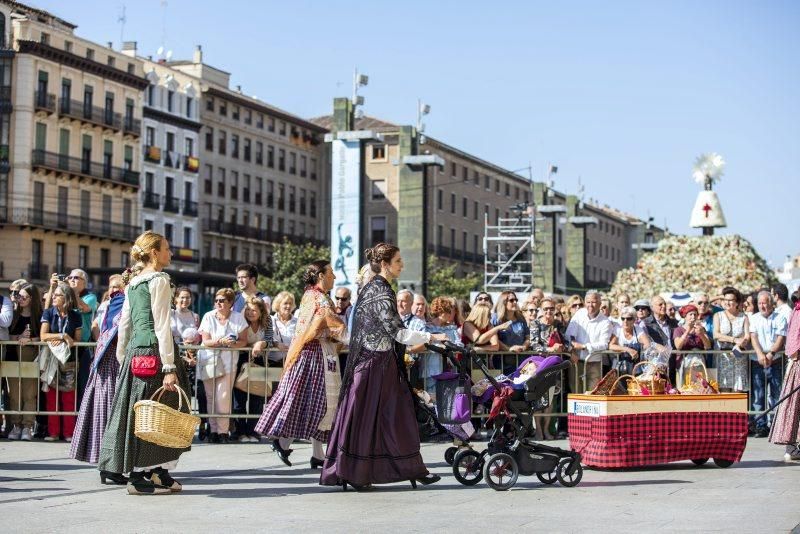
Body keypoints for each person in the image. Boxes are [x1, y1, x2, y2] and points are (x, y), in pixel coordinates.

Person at [321, 243, 447, 489]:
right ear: (386, 264)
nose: (402, 265)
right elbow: (398, 333)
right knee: (379, 419)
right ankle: (357, 473)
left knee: (389, 418)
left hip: (377, 364)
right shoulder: (380, 292)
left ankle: (408, 468)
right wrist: (432, 337)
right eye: (398, 261)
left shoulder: (375, 289)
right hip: (373, 367)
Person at [98, 230, 191, 495]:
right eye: (167, 248)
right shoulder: (160, 280)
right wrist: (169, 366)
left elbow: (124, 324)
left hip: (135, 353)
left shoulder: (134, 282)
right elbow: (162, 325)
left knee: (143, 412)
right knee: (163, 412)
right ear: (154, 253)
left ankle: (157, 470)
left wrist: (123, 358)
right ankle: (140, 475)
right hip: (156, 352)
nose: (170, 253)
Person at [256, 260, 346, 469]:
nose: (334, 276)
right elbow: (331, 321)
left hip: (316, 354)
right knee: (313, 403)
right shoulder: (318, 298)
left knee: (314, 403)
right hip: (313, 355)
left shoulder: (312, 295)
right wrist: (349, 336)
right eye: (331, 273)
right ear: (321, 276)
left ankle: (315, 453)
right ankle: (285, 442)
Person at [70, 278, 126, 484]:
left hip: (108, 360)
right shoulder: (119, 301)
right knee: (110, 413)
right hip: (111, 362)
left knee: (108, 413)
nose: (114, 290)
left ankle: (110, 465)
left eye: (117, 286)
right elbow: (117, 332)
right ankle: (109, 465)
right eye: (112, 287)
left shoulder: (115, 302)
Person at [198, 288, 248, 443]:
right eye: (216, 300)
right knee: (210, 396)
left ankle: (223, 431)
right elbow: (206, 341)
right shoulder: (208, 316)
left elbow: (243, 341)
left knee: (224, 398)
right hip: (209, 361)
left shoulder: (238, 318)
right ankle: (213, 430)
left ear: (230, 303)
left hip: (228, 362)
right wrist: (221, 342)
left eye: (222, 300)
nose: (218, 303)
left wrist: (232, 344)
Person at [47, 269, 98, 406]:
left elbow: (84, 308)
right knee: (57, 387)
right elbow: (47, 311)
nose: (72, 280)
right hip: (61, 347)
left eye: (76, 278)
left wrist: (71, 291)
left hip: (81, 347)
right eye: (70, 277)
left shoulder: (90, 297)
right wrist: (53, 288)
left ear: (85, 283)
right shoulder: (62, 295)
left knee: (81, 385)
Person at [39, 282, 82, 442]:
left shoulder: (76, 315)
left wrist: (65, 338)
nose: (54, 297)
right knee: (51, 398)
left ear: (67, 298)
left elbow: (76, 340)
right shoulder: (49, 312)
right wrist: (61, 336)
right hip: (52, 360)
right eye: (55, 294)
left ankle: (69, 433)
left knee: (68, 397)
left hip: (69, 360)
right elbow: (44, 336)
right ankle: (53, 433)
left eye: (58, 295)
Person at [5, 284, 42, 441]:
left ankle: (27, 426)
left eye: (23, 297)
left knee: (29, 394)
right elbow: (9, 336)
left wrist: (31, 339)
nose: (20, 299)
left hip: (31, 357)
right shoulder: (13, 315)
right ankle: (16, 425)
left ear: (32, 299)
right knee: (14, 394)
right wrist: (19, 337)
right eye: (18, 296)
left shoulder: (40, 315)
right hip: (13, 356)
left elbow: (43, 337)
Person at [749, 290, 787, 438]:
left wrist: (771, 353)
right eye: (759, 303)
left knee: (777, 394)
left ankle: (778, 425)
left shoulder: (780, 317)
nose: (762, 306)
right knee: (758, 395)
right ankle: (761, 426)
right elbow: (754, 337)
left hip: (775, 360)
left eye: (765, 303)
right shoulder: (754, 318)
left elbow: (780, 338)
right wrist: (759, 353)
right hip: (757, 361)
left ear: (771, 303)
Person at [528, 297, 568, 440]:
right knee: (539, 399)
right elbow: (534, 345)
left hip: (554, 366)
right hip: (539, 365)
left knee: (550, 399)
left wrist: (562, 347)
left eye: (551, 308)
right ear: (541, 310)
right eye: (546, 309)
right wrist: (551, 349)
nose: (549, 311)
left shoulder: (559, 325)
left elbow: (567, 343)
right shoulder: (535, 324)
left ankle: (546, 430)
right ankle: (538, 430)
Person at [235, 296, 274, 442]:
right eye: (248, 310)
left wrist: (260, 344)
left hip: (259, 359)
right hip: (240, 359)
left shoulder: (267, 321)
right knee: (239, 397)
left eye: (254, 310)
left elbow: (270, 340)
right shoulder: (240, 320)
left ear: (261, 311)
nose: (251, 313)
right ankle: (240, 432)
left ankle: (253, 431)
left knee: (257, 396)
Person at [769, 293, 800, 461]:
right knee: (793, 406)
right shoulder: (798, 311)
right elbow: (795, 342)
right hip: (798, 362)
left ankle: (792, 447)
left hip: (795, 363)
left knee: (793, 406)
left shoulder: (795, 311)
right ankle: (792, 447)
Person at [565, 290, 611, 393]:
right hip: (576, 361)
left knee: (592, 394)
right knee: (576, 392)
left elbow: (604, 344)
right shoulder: (579, 313)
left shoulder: (605, 322)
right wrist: (573, 348)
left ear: (599, 304)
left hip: (594, 363)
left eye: (594, 302)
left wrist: (584, 346)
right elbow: (570, 334)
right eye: (588, 302)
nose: (591, 305)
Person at [713, 287, 750, 392]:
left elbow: (747, 336)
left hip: (738, 357)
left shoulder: (744, 317)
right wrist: (734, 340)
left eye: (730, 300)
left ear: (737, 302)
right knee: (724, 391)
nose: (727, 302)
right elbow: (716, 334)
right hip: (723, 358)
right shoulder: (718, 316)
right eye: (725, 300)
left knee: (738, 392)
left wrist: (740, 343)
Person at [609, 305, 651, 375]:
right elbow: (611, 346)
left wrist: (639, 350)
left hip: (635, 368)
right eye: (623, 318)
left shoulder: (638, 329)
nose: (625, 321)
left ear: (634, 320)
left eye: (629, 319)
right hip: (619, 367)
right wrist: (628, 349)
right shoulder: (617, 329)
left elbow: (647, 344)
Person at [271, 291, 298, 364]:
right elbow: (267, 337)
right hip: (272, 363)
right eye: (285, 303)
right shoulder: (271, 320)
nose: (288, 306)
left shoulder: (298, 322)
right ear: (278, 304)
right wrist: (276, 344)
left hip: (292, 363)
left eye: (290, 303)